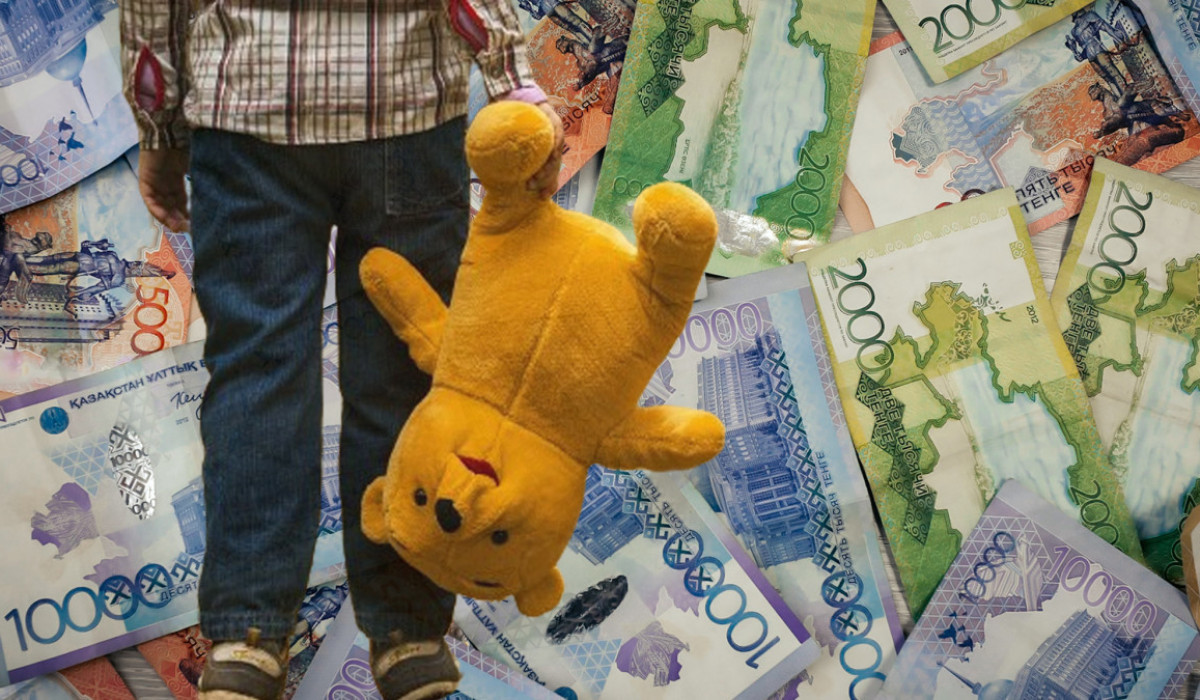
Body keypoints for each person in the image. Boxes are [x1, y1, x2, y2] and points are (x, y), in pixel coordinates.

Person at [119, 1, 564, 698]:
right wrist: (513, 84)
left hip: (248, 110)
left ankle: (247, 639)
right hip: (406, 106)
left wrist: (160, 125)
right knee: (405, 367)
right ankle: (408, 634)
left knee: (258, 373)